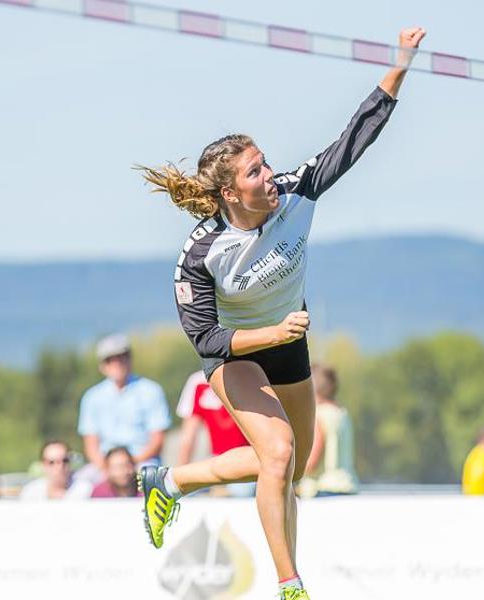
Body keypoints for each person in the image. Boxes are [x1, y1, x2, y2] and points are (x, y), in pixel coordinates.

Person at [134, 26, 426, 600]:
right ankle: (290, 585)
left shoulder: (297, 194)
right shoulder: (200, 253)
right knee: (278, 452)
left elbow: (355, 136)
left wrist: (400, 65)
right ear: (229, 194)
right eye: (254, 172)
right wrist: (269, 331)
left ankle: (171, 482)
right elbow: (208, 340)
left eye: (264, 163)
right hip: (236, 355)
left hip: (288, 345)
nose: (269, 175)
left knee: (291, 469)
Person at [77, 334, 170, 478]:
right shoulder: (92, 397)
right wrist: (108, 467)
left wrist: (128, 464)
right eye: (109, 360)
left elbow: (157, 441)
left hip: (142, 461)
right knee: (82, 484)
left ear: (129, 359)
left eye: (121, 357)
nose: (116, 364)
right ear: (102, 366)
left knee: (151, 479)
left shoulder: (151, 391)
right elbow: (91, 445)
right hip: (104, 465)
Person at [175, 370, 253, 497]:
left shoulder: (251, 378)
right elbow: (188, 439)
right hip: (217, 460)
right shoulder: (198, 382)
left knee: (241, 492)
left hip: (245, 460)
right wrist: (179, 478)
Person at [298, 364, 359, 498]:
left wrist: (289, 469)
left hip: (325, 489)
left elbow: (313, 461)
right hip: (349, 486)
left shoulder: (317, 415)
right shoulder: (342, 413)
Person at [19, 440, 92, 500]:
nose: (60, 466)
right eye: (52, 462)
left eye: (65, 460)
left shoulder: (86, 491)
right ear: (43, 465)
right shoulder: (30, 493)